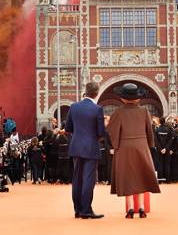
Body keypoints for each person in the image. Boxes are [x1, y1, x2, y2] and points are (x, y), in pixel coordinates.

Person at [107, 83, 161, 218]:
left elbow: (112, 132)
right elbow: (150, 131)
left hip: (124, 147)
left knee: (128, 178)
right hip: (141, 146)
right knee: (141, 176)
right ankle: (142, 208)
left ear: (122, 98)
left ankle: (130, 209)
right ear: (138, 98)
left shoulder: (118, 112)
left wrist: (115, 145)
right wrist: (149, 145)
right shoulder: (144, 111)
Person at [64, 82, 106, 219]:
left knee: (77, 179)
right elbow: (101, 133)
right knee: (88, 179)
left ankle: (77, 209)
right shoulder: (97, 109)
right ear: (96, 93)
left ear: (85, 92)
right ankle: (86, 210)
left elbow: (67, 129)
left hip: (76, 147)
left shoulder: (74, 107)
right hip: (91, 148)